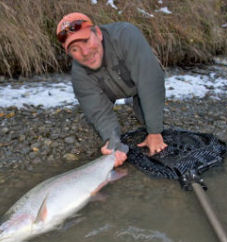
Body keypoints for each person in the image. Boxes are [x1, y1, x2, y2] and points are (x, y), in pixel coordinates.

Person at [56, 12, 167, 167]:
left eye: (87, 41)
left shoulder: (126, 34)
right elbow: (98, 112)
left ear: (98, 33)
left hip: (140, 78)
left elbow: (150, 82)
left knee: (148, 118)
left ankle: (136, 99)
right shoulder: (79, 75)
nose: (85, 53)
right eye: (75, 49)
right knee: (112, 138)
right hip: (109, 90)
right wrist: (112, 142)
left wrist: (155, 132)